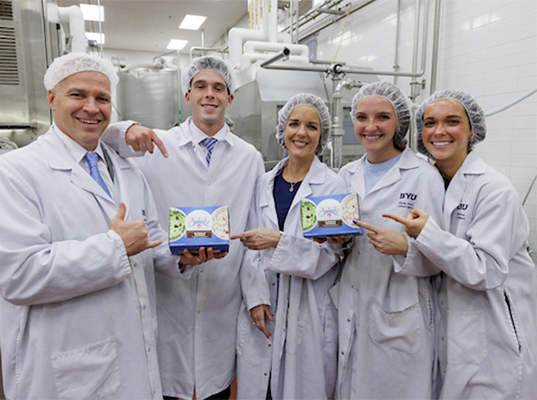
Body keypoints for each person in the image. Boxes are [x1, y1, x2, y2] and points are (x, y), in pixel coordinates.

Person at [0, 53, 207, 400]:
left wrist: (180, 258)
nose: (92, 107)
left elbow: (150, 238)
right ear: (52, 98)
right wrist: (114, 246)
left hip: (135, 356)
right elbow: (19, 275)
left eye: (102, 98)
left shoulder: (127, 169)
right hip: (67, 368)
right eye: (78, 95)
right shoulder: (13, 172)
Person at [101, 56, 265, 400]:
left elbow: (253, 228)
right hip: (168, 290)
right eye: (201, 87)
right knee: (167, 385)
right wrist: (125, 127)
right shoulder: (156, 144)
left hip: (223, 292)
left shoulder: (248, 157)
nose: (210, 94)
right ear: (187, 95)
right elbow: (102, 141)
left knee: (216, 388)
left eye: (219, 88)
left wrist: (257, 295)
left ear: (230, 99)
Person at [385, 89, 537, 399]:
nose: (439, 131)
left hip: (493, 340)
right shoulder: (429, 181)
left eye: (452, 122)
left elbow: (486, 270)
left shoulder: (494, 189)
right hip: (446, 337)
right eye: (429, 123)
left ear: (472, 130)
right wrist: (403, 246)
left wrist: (426, 233)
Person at [333, 81, 445, 399]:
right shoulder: (345, 175)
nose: (370, 127)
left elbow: (443, 257)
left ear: (399, 122)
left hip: (400, 309)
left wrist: (406, 249)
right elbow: (342, 246)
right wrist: (337, 241)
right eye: (361, 117)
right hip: (353, 303)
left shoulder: (423, 176)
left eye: (382, 117)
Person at [232, 93, 347, 399]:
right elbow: (248, 246)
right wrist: (255, 297)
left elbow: (331, 255)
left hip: (308, 308)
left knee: (302, 386)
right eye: (294, 124)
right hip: (264, 305)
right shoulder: (263, 183)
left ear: (321, 136)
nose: (301, 132)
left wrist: (279, 241)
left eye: (311, 126)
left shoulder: (333, 186)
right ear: (282, 131)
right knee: (260, 389)